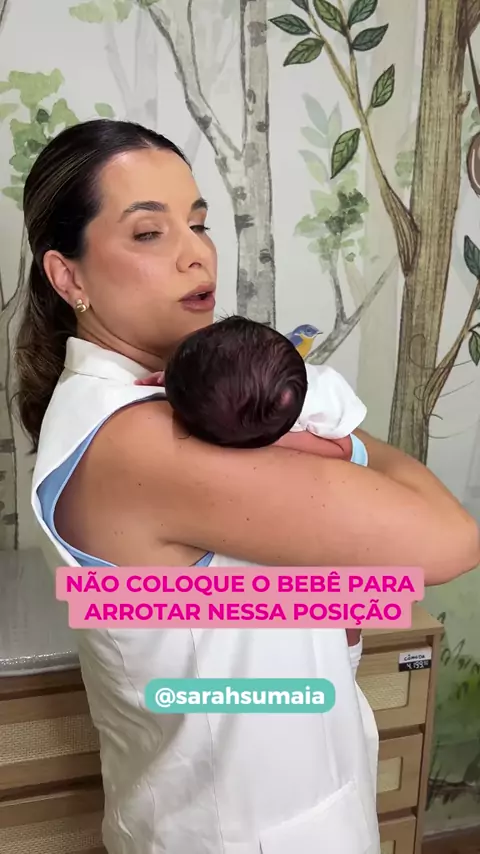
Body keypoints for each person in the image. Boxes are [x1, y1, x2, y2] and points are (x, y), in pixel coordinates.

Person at [15, 119, 479, 854]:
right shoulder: (142, 440)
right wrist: (340, 441)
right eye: (149, 233)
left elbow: (223, 605)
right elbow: (452, 540)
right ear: (68, 276)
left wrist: (328, 604)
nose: (196, 253)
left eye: (198, 224)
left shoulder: (128, 409)